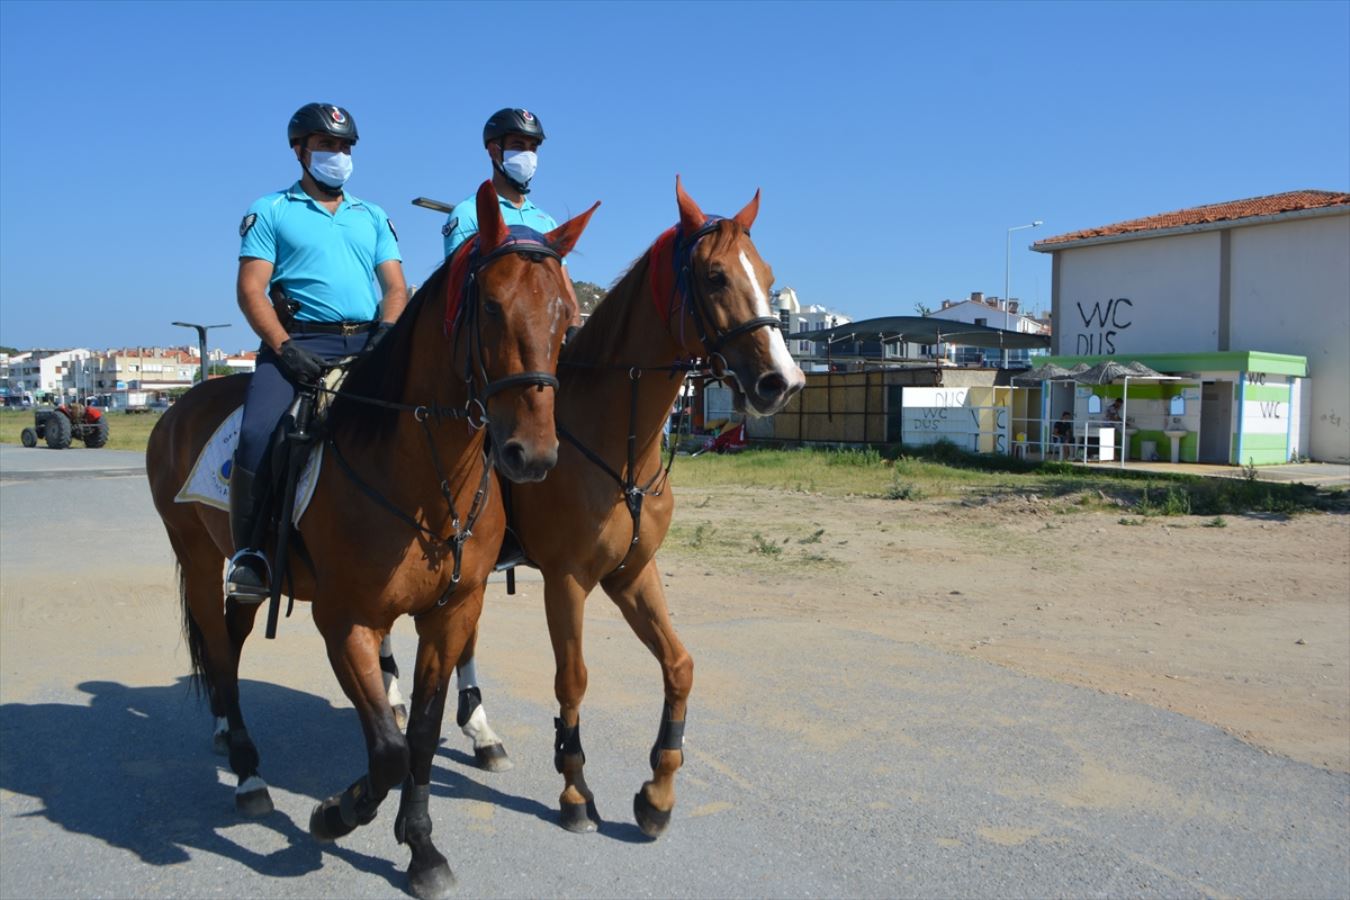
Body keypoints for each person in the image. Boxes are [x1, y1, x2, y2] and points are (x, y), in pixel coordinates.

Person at [227, 102, 408, 602]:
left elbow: (395, 287)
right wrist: (283, 349)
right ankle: (251, 557)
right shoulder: (270, 210)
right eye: (328, 145)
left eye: (346, 146)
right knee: (260, 433)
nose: (339, 155)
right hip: (299, 342)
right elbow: (251, 291)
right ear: (300, 150)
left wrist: (387, 329)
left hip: (368, 342)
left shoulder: (371, 215)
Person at [442, 108, 561, 259]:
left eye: (533, 148)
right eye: (518, 146)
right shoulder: (468, 212)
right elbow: (456, 278)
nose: (528, 155)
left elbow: (562, 281)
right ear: (493, 150)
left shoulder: (547, 222)